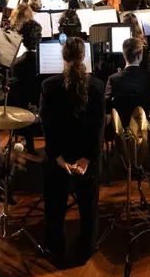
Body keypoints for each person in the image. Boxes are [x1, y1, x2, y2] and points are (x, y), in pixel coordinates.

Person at [39, 37, 105, 265]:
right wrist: (87, 158)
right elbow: (98, 128)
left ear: (63, 57)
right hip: (87, 161)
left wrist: (57, 158)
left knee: (54, 205)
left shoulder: (49, 86)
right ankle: (86, 248)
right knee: (89, 207)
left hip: (60, 159)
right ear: (83, 56)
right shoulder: (97, 86)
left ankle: (55, 246)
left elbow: (47, 128)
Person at [107, 36, 150, 125]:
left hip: (121, 123)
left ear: (123, 55)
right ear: (140, 55)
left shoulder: (113, 79)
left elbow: (107, 104)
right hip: (144, 121)